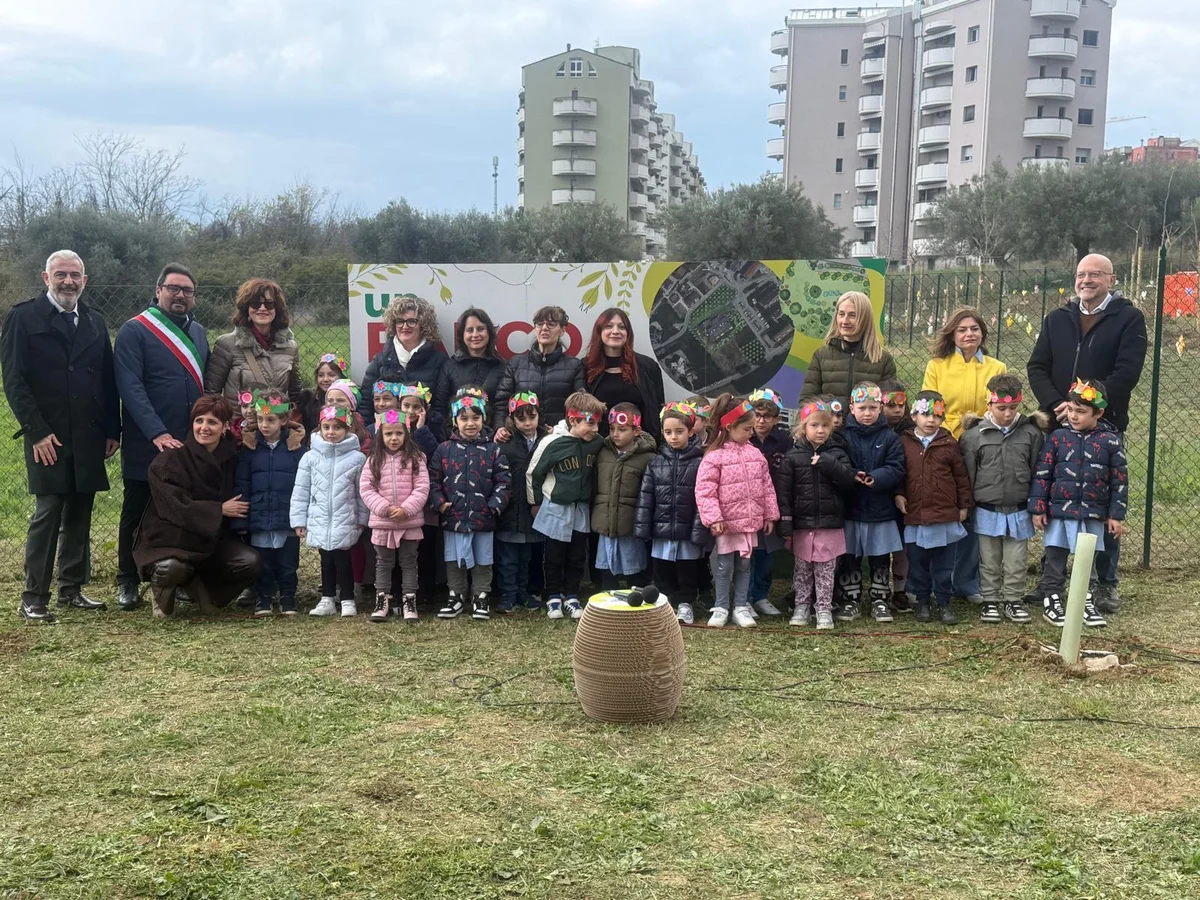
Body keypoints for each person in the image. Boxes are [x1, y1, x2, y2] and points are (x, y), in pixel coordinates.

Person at [1, 250, 121, 623]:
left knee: (80, 513)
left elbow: (107, 379)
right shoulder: (23, 317)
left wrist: (112, 429)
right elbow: (14, 380)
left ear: (84, 280)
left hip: (88, 433)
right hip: (47, 436)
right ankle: (33, 597)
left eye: (74, 275)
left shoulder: (95, 321)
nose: (68, 281)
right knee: (49, 511)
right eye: (61, 274)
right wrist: (36, 432)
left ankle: (71, 589)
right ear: (46, 278)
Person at [1027, 254, 1146, 614]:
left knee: (1101, 503)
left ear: (1111, 279)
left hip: (1103, 424)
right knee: (1058, 499)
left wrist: (1086, 405)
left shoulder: (1128, 318)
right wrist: (1058, 405)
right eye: (1081, 274)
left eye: (1095, 274)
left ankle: (1105, 584)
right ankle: (1052, 580)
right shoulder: (1057, 318)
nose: (1086, 280)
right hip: (1059, 425)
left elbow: (1127, 372)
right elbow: (1037, 366)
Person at [113, 263, 210, 611]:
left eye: (187, 290)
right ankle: (127, 578)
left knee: (181, 510)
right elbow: (130, 387)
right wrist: (156, 431)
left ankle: (178, 577)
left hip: (188, 441)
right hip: (148, 439)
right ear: (158, 291)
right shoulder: (134, 330)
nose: (180, 295)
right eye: (173, 288)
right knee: (137, 509)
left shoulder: (198, 332)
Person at [133, 395, 261, 618]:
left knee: (250, 562)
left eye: (212, 422)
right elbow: (174, 505)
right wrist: (218, 510)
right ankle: (162, 593)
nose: (204, 428)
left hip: (211, 540)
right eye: (199, 421)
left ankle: (205, 593)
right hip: (172, 540)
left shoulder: (235, 459)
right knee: (170, 568)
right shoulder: (170, 459)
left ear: (224, 427)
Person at [1030, 378, 1127, 629]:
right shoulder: (1057, 438)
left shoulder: (1110, 441)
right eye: (1071, 409)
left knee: (1087, 560)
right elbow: (1043, 474)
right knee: (1055, 557)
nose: (1073, 416)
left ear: (1098, 413)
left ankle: (1084, 600)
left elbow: (1119, 481)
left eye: (1080, 412)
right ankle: (1052, 600)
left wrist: (1115, 515)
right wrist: (1038, 508)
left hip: (1092, 514)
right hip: (1059, 513)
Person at [960, 374, 1048, 625]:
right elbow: (968, 475)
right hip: (987, 510)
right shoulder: (973, 436)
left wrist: (1037, 505)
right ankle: (990, 600)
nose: (1008, 414)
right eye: (1001, 408)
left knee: (1016, 560)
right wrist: (967, 506)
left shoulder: (1031, 434)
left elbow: (1038, 472)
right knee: (988, 559)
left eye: (1013, 407)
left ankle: (1013, 600)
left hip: (1019, 510)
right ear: (988, 404)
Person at [695, 394, 781, 629]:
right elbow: (705, 490)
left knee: (744, 565)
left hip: (749, 523)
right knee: (724, 566)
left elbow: (766, 486)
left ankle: (741, 606)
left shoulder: (755, 454)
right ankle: (721, 606)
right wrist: (714, 518)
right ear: (729, 426)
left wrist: (769, 514)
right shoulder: (714, 456)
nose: (751, 433)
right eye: (746, 429)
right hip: (726, 524)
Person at [429, 388, 512, 621]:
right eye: (464, 418)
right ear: (455, 421)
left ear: (484, 418)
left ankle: (480, 596)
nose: (470, 423)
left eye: (475, 417)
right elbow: (433, 479)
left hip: (483, 517)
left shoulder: (493, 450)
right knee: (453, 559)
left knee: (483, 559)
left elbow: (504, 481)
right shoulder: (444, 449)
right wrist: (440, 503)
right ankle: (455, 595)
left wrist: (493, 505)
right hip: (453, 516)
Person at [776, 400, 858, 630]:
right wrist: (786, 524)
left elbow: (849, 481)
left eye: (825, 425)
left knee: (826, 570)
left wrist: (828, 464)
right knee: (802, 569)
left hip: (829, 524)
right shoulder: (792, 457)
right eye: (814, 425)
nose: (820, 430)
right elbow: (784, 493)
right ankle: (801, 606)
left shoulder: (837, 454)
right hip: (802, 525)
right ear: (804, 427)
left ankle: (824, 608)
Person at [527, 391, 606, 620]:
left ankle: (572, 595)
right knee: (554, 555)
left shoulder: (596, 442)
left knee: (577, 555)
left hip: (580, 508)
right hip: (556, 507)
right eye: (590, 423)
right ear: (573, 420)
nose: (595, 429)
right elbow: (533, 474)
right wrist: (535, 502)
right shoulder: (552, 442)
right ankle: (553, 596)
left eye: (598, 424)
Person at [895, 392, 972, 625]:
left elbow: (961, 477)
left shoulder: (949, 443)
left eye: (937, 415)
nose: (931, 420)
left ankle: (944, 601)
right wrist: (898, 493)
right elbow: (898, 471)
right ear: (914, 416)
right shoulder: (904, 442)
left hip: (944, 515)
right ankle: (922, 600)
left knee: (944, 563)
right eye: (925, 414)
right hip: (916, 514)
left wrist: (964, 505)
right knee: (917, 562)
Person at [291, 405, 369, 618]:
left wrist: (362, 519)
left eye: (337, 427)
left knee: (344, 560)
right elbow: (301, 490)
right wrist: (299, 520)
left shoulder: (357, 459)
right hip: (320, 519)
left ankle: (347, 599)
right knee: (326, 560)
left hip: (346, 518)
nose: (331, 432)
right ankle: (327, 598)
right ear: (320, 428)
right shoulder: (310, 458)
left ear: (347, 429)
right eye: (326, 427)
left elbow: (361, 492)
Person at [232, 390, 306, 617]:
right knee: (263, 562)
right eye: (260, 419)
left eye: (271, 420)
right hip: (260, 514)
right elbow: (242, 484)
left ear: (283, 420)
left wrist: (302, 517)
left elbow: (304, 485)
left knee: (288, 563)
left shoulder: (297, 449)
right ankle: (263, 598)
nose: (264, 425)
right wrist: (241, 521)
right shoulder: (249, 449)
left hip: (286, 515)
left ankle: (288, 597)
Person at [839, 382, 906, 623]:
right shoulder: (842, 436)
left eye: (873, 408)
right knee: (850, 556)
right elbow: (838, 463)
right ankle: (850, 599)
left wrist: (876, 477)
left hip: (880, 509)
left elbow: (897, 467)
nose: (867, 413)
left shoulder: (890, 437)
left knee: (880, 557)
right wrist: (851, 475)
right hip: (851, 508)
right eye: (862, 408)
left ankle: (880, 599)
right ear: (851, 408)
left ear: (880, 408)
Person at [634, 402, 705, 624]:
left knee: (686, 568)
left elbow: (703, 499)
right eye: (668, 432)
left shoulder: (700, 463)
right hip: (661, 528)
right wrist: (642, 526)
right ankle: (664, 603)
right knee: (662, 568)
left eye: (679, 431)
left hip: (687, 528)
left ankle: (685, 603)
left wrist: (699, 529)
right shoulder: (655, 463)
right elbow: (646, 497)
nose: (673, 437)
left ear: (691, 431)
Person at [359, 410, 429, 623]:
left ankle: (409, 601)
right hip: (383, 522)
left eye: (399, 433)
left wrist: (406, 509)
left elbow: (422, 487)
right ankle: (382, 601)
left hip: (410, 522)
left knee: (409, 562)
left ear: (407, 434)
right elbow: (366, 489)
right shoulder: (373, 460)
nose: (394, 438)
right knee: (383, 563)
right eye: (388, 433)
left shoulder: (416, 459)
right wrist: (385, 508)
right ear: (380, 435)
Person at [204, 279, 302, 404]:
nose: (262, 308)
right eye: (255, 303)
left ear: (277, 308)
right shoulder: (226, 344)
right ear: (246, 308)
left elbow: (295, 395)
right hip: (238, 416)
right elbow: (212, 394)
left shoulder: (290, 348)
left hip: (276, 417)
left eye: (269, 304)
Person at [493, 305, 585, 437]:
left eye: (551, 324)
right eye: (539, 324)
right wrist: (500, 427)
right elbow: (502, 402)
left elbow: (581, 407)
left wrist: (561, 429)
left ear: (563, 330)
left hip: (558, 439)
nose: (544, 328)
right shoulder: (516, 364)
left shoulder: (574, 365)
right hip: (521, 438)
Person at [592, 404, 656, 590]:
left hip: (631, 523)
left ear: (636, 431)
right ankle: (608, 595)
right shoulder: (602, 451)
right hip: (605, 521)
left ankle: (636, 595)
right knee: (606, 565)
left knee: (634, 564)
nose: (615, 434)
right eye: (612, 429)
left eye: (622, 429)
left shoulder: (648, 458)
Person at [798, 291, 896, 411]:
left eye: (852, 315)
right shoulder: (821, 356)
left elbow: (889, 404)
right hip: (830, 423)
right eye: (841, 314)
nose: (845, 321)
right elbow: (807, 401)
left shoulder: (883, 359)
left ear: (865, 319)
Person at [495, 392, 548, 614]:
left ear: (539, 415)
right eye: (521, 418)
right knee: (507, 558)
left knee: (526, 556)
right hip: (509, 509)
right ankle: (507, 594)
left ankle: (523, 592)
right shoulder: (505, 442)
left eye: (532, 417)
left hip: (531, 508)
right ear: (512, 419)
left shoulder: (547, 440)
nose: (527, 423)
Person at [361, 296, 451, 422]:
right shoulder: (379, 362)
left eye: (412, 321)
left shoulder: (440, 362)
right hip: (387, 432)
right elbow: (366, 405)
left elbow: (441, 407)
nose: (405, 326)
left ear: (423, 325)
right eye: (400, 321)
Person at [583, 307, 666, 442]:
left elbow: (658, 410)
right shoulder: (585, 367)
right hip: (597, 445)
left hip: (640, 446)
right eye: (609, 326)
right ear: (599, 331)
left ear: (628, 333)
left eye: (622, 327)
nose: (615, 331)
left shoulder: (649, 367)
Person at [747, 387, 791, 618]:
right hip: (747, 506)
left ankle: (761, 596)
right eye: (757, 415)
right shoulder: (744, 439)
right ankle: (744, 598)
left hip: (774, 506)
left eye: (767, 416)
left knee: (767, 553)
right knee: (746, 554)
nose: (761, 421)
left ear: (776, 418)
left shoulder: (785, 442)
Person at [879, 378, 912, 612]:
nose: (897, 410)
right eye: (891, 405)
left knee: (902, 546)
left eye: (901, 405)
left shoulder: (912, 431)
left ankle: (900, 591)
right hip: (879, 496)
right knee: (881, 546)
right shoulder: (872, 430)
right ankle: (879, 589)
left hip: (905, 497)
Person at [443, 308, 506, 421]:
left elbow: (502, 406)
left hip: (493, 431)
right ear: (462, 334)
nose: (475, 334)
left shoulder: (502, 366)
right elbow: (440, 406)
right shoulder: (450, 366)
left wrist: (498, 428)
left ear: (489, 332)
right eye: (470, 330)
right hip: (457, 431)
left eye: (480, 329)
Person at [302, 353, 349, 439]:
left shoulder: (348, 399)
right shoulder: (309, 399)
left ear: (341, 376)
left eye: (331, 375)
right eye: (321, 375)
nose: (325, 379)